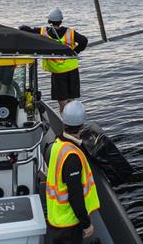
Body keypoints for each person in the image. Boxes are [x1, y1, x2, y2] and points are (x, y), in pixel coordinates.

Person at [45, 100, 99, 243]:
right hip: (68, 223)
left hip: (56, 216)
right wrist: (86, 224)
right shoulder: (72, 157)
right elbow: (75, 196)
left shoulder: (58, 143)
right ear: (82, 127)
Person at [20, 7, 87, 112]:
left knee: (62, 102)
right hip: (72, 69)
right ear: (61, 21)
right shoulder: (70, 32)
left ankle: (65, 124)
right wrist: (75, 51)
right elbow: (84, 41)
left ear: (49, 21)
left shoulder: (44, 32)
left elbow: (24, 28)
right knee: (71, 100)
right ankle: (73, 120)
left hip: (57, 72)